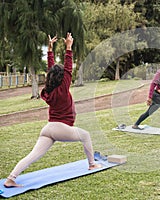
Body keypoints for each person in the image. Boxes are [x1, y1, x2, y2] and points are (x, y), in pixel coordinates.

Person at [3, 33, 101, 188]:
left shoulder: (49, 90)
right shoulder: (62, 88)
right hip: (60, 128)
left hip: (48, 128)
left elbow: (52, 70)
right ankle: (92, 164)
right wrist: (68, 47)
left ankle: (11, 178)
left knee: (33, 155)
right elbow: (68, 68)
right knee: (86, 135)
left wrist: (50, 50)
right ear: (63, 78)